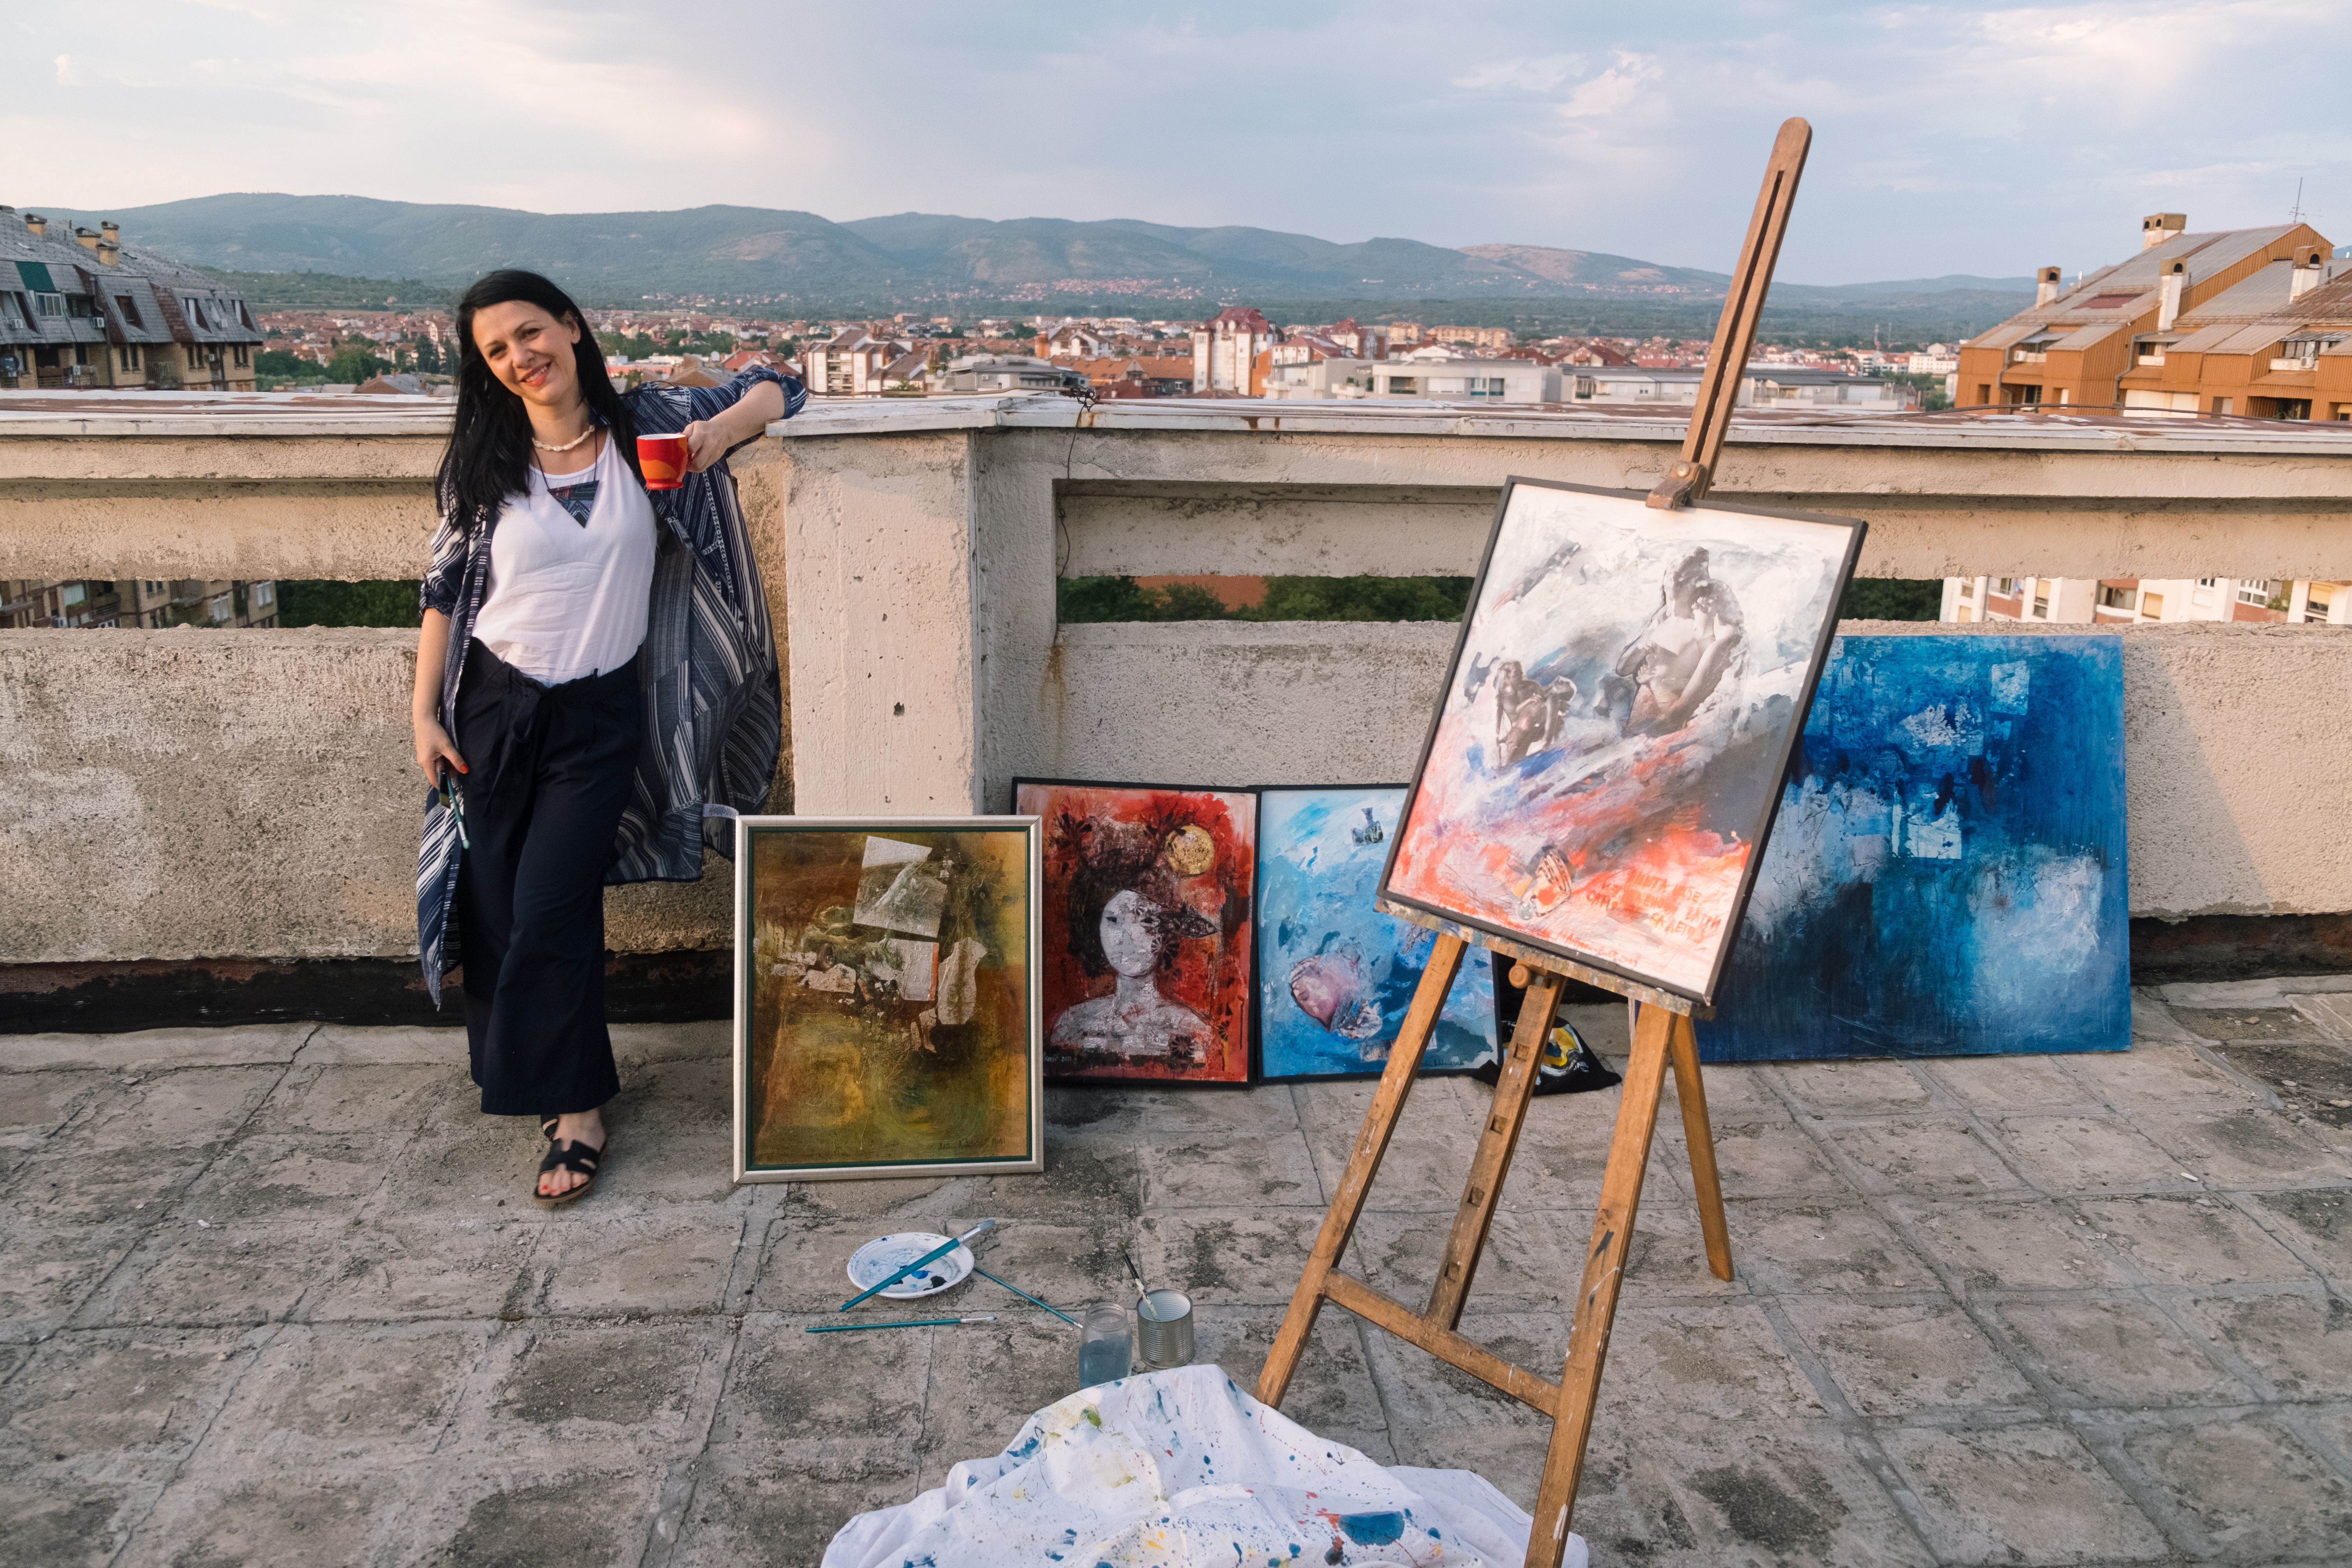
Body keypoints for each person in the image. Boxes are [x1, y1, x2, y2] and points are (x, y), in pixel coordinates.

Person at [411, 269, 804, 1207]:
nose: (519, 357)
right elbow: (443, 594)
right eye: (496, 350)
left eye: (530, 332)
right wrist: (422, 712)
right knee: (502, 910)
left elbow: (780, 381)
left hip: (599, 715)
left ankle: (579, 1110)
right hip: (495, 708)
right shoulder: (485, 463)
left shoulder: (651, 424)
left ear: (574, 328)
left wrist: (726, 431)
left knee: (552, 904)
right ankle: (553, 1088)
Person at [1048, 888, 1216, 1060]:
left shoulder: (1192, 1029)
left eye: (1146, 920)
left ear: (1167, 937)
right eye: (1113, 920)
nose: (1128, 934)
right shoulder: (1073, 1023)